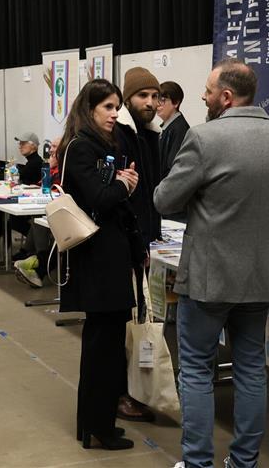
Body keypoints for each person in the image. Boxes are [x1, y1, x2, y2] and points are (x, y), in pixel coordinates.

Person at [154, 59, 269, 468]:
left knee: (197, 372)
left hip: (209, 278)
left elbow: (164, 200)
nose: (202, 97)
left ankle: (198, 463)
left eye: (207, 91)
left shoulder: (204, 139)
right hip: (262, 278)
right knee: (252, 370)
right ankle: (243, 463)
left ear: (225, 96)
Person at [56, 79, 141, 451]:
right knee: (100, 348)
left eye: (117, 106)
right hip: (97, 259)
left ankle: (98, 422)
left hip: (109, 256)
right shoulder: (80, 148)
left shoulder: (102, 145)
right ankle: (96, 427)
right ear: (89, 109)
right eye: (108, 107)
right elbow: (100, 198)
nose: (114, 114)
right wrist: (125, 186)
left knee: (105, 346)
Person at [115, 66, 163, 422]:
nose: (149, 103)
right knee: (122, 323)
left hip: (143, 241)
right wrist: (136, 244)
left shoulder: (150, 135)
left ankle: (135, 390)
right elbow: (123, 197)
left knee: (138, 320)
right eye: (142, 96)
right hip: (124, 244)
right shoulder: (119, 135)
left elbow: (151, 193)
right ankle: (121, 394)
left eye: (154, 96)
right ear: (127, 98)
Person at [13, 136, 61, 288]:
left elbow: (55, 185)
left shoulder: (63, 166)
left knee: (38, 219)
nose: (51, 149)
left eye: (54, 146)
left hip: (59, 210)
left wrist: (50, 167)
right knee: (35, 218)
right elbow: (42, 184)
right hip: (47, 205)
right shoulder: (49, 165)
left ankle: (37, 260)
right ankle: (34, 257)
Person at [157, 80, 190, 222]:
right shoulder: (165, 128)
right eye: (156, 99)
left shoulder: (179, 129)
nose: (158, 104)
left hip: (174, 208)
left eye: (162, 100)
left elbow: (173, 169)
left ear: (176, 103)